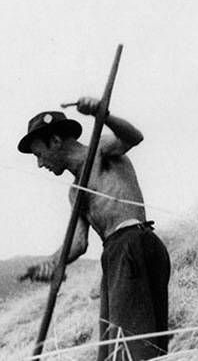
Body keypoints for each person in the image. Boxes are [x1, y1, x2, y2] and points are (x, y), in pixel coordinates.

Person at [18, 98, 170, 360]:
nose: (40, 164)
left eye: (39, 155)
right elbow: (78, 243)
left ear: (55, 141)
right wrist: (50, 264)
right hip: (114, 256)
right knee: (114, 346)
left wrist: (104, 114)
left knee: (131, 346)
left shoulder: (101, 151)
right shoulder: (75, 192)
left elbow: (133, 137)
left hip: (132, 244)